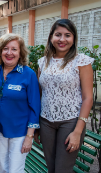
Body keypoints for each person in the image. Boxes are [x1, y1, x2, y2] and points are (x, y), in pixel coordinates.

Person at [34, 19, 93, 173]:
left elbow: (88, 98)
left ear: (73, 39)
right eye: (58, 35)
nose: (62, 39)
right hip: (46, 122)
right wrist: (37, 126)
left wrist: (78, 131)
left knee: (62, 170)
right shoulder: (42, 62)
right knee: (52, 168)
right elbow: (40, 94)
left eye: (67, 35)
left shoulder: (81, 61)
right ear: (51, 37)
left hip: (70, 122)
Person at [0, 33, 41, 173]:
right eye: (5, 48)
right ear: (0, 51)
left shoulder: (28, 74)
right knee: (4, 168)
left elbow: (35, 107)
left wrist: (29, 136)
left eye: (14, 49)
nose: (9, 53)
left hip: (21, 132)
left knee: (15, 170)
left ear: (21, 53)